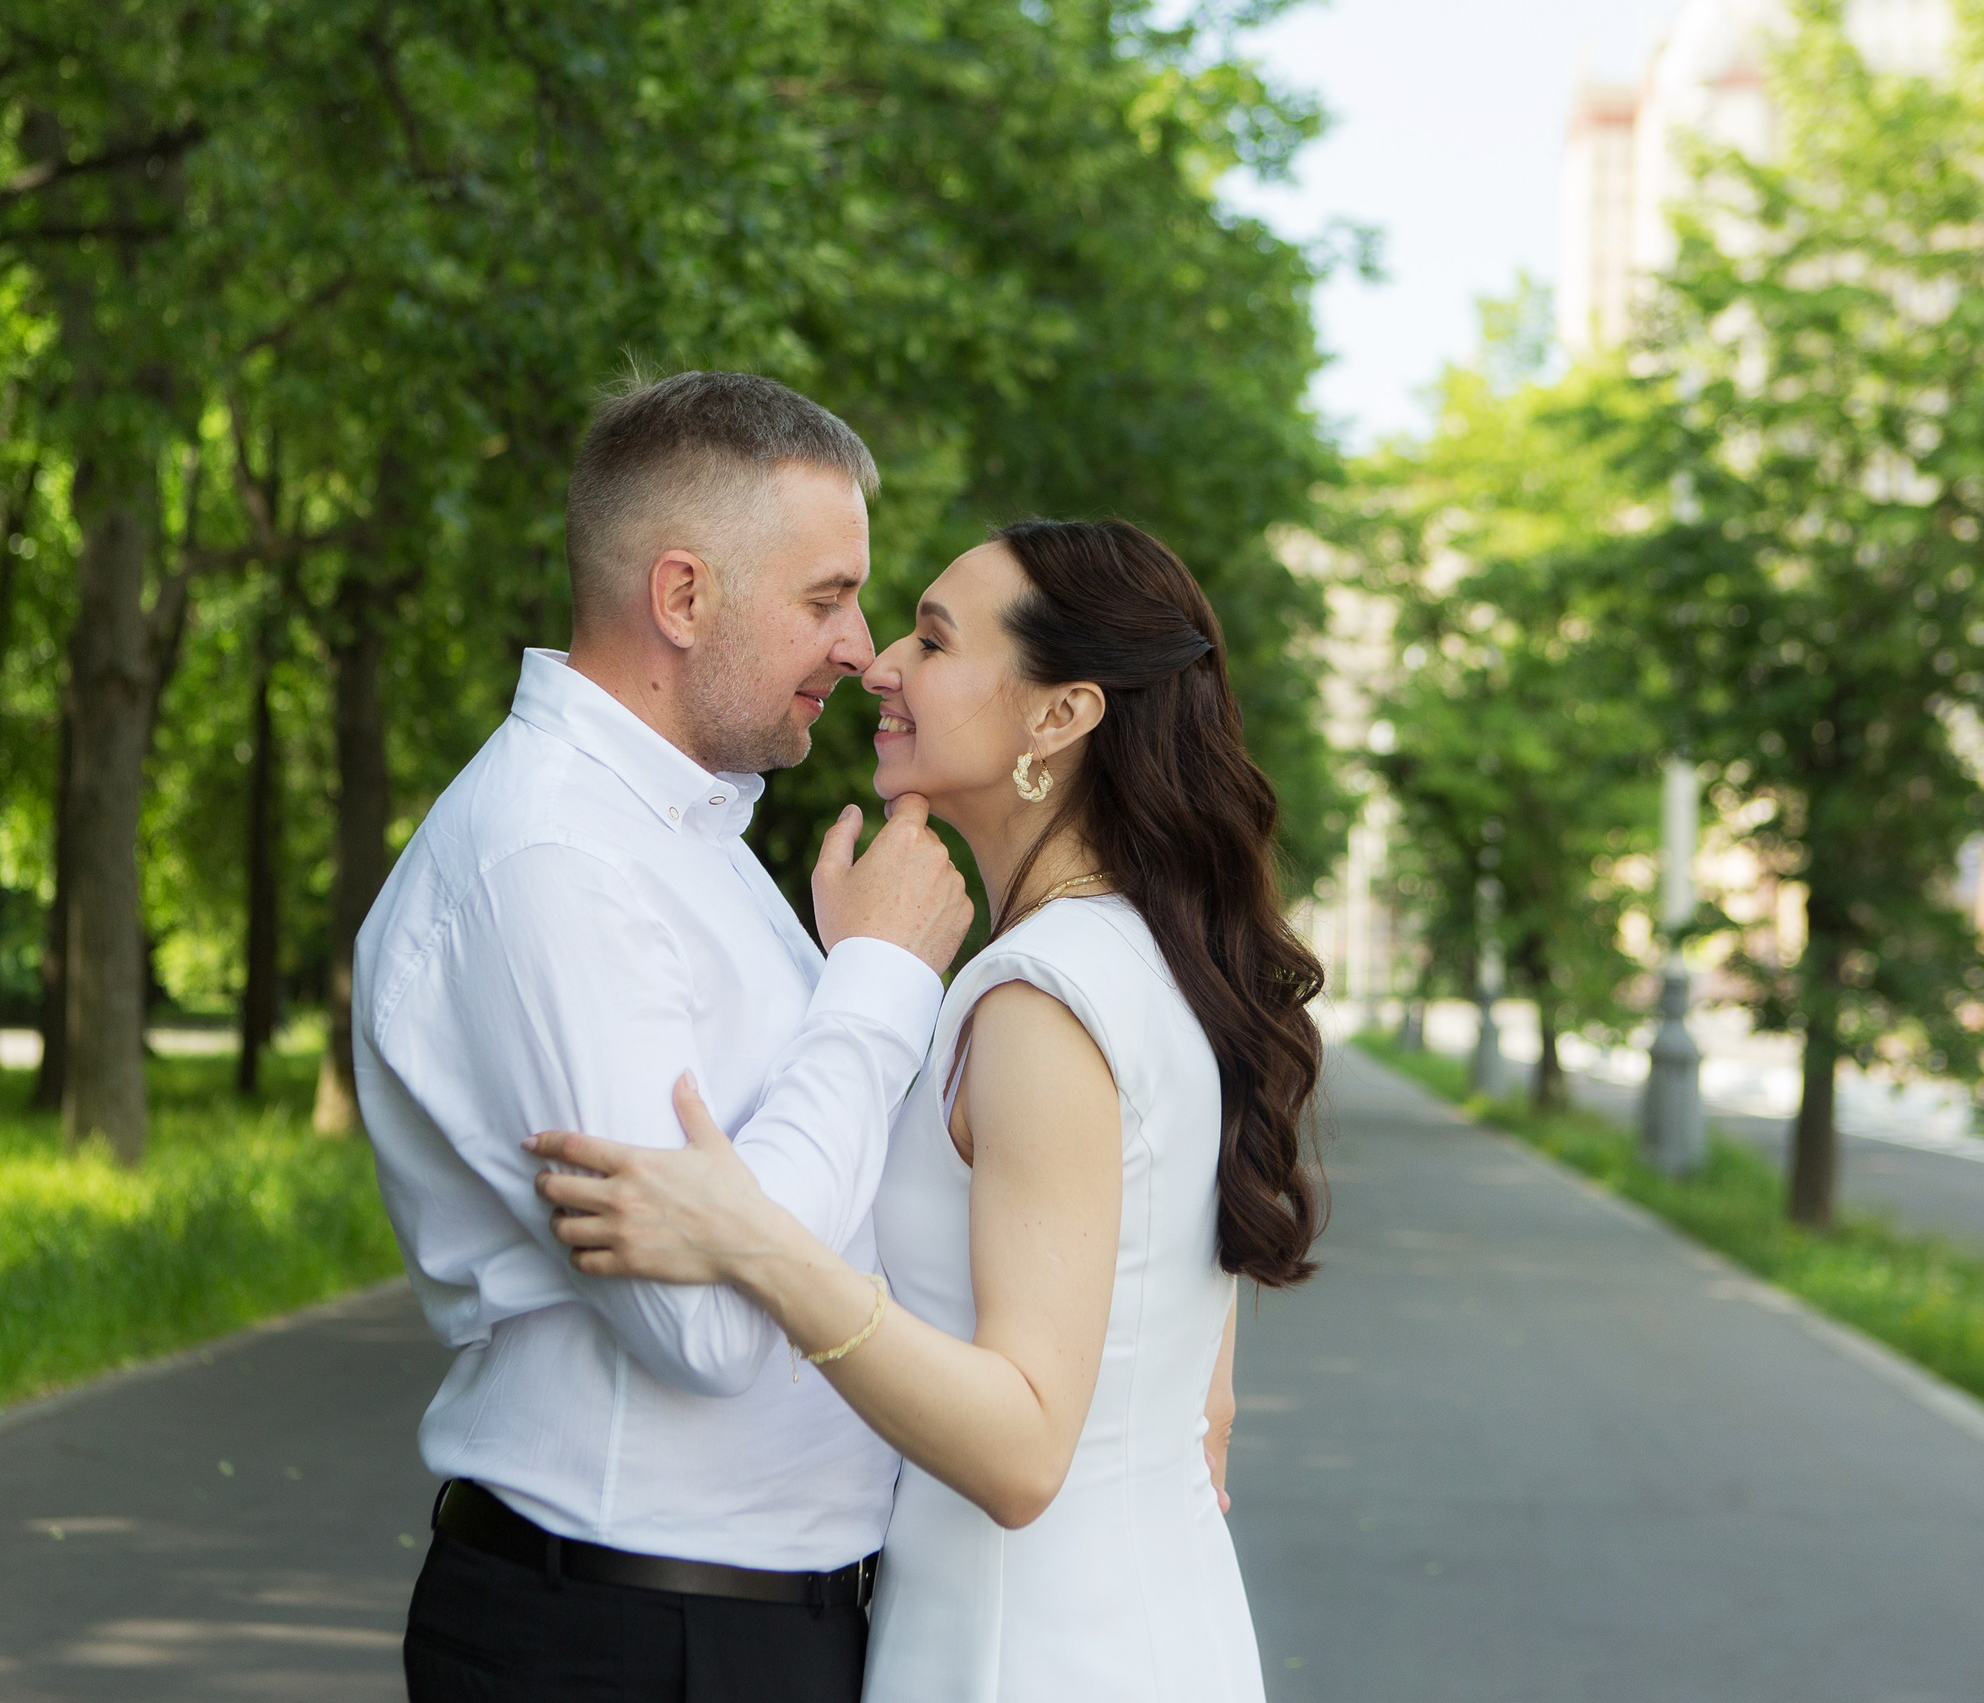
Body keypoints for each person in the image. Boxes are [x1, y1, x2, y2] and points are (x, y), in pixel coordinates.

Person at [530, 518, 1329, 1703]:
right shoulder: (1146, 953)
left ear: (1059, 716)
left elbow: (1019, 1453)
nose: (881, 664)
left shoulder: (1038, 999)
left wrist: (754, 1245)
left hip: (1023, 1650)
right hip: (1140, 1623)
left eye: (934, 640)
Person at [352, 370, 973, 1703]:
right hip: (634, 1636)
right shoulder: (548, 859)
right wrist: (873, 984)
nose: (862, 648)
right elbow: (700, 1326)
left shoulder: (690, 832)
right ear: (683, 596)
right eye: (826, 598)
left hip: (736, 1627)